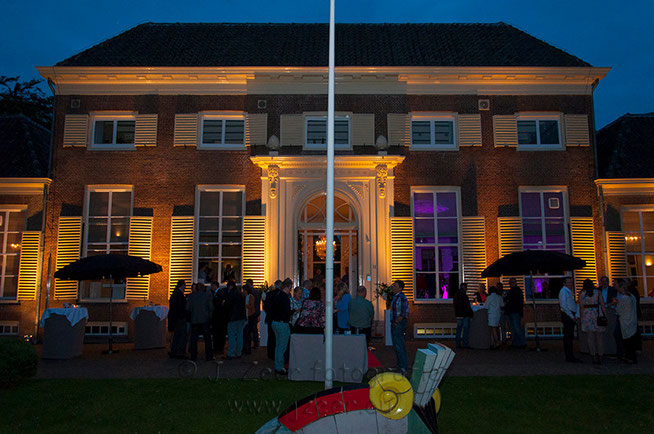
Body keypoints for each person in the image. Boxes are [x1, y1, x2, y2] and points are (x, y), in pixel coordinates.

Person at [269, 279, 293, 375]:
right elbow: (287, 312)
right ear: (288, 287)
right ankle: (279, 367)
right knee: (282, 347)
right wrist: (294, 311)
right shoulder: (285, 297)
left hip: (275, 322)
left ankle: (278, 365)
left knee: (278, 346)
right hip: (283, 323)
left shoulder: (276, 295)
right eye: (290, 287)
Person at [579, 278, 606, 364]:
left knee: (590, 337)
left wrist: (581, 317)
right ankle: (601, 355)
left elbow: (581, 307)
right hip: (597, 313)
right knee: (599, 337)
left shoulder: (582, 294)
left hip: (587, 315)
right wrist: (605, 315)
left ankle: (593, 355)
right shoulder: (598, 292)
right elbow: (602, 304)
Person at [186, 282, 214, 361]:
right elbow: (211, 308)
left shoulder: (191, 296)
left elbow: (188, 308)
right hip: (205, 320)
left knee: (194, 339)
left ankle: (193, 356)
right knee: (207, 339)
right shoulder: (207, 296)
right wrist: (209, 316)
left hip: (194, 320)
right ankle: (209, 356)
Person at [616, 279, 638, 363]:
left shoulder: (624, 298)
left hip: (625, 321)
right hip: (632, 320)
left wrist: (616, 304)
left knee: (628, 341)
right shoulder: (631, 296)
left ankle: (630, 357)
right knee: (631, 340)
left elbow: (618, 310)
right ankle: (631, 357)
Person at [559, 276, 581, 363]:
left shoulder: (568, 292)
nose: (571, 284)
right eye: (569, 283)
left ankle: (570, 355)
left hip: (570, 314)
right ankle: (569, 356)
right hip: (568, 315)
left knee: (569, 336)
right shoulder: (563, 291)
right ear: (564, 283)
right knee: (568, 336)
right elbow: (564, 306)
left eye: (571, 283)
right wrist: (571, 316)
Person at [390, 280, 409, 373]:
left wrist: (397, 321)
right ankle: (400, 365)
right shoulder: (395, 297)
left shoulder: (401, 297)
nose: (393, 287)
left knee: (399, 345)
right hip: (395, 323)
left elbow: (404, 312)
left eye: (395, 286)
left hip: (398, 324)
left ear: (400, 288)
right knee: (396, 345)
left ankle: (403, 366)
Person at [224, 284, 246, 359]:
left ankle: (231, 353)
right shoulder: (241, 295)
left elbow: (227, 306)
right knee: (240, 335)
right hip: (241, 317)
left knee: (232, 336)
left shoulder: (230, 294)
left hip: (232, 318)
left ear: (230, 287)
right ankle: (239, 352)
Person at [168, 279, 188, 359]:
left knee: (176, 335)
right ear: (182, 285)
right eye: (185, 285)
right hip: (179, 318)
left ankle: (174, 351)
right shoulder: (179, 294)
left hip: (175, 318)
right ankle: (180, 352)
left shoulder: (175, 293)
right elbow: (180, 307)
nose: (185, 287)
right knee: (181, 335)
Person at [263, 280, 283, 360]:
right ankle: (276, 354)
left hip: (270, 318)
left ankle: (270, 353)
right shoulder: (282, 295)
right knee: (278, 337)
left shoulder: (269, 294)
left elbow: (265, 306)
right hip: (278, 319)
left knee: (271, 336)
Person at [506, 278, 526, 349]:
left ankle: (522, 342)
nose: (510, 284)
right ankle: (516, 343)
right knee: (514, 328)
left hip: (515, 311)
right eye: (510, 282)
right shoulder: (514, 291)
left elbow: (519, 302)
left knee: (516, 327)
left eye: (511, 282)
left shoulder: (516, 291)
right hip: (512, 311)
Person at [453, 283, 473, 349]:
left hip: (459, 314)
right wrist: (471, 314)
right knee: (466, 329)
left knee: (459, 329)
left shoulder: (456, 295)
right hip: (465, 314)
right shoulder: (464, 296)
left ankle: (458, 343)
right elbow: (467, 306)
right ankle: (465, 343)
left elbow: (455, 305)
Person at [212, 281, 228, 355]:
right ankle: (217, 347)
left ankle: (219, 347)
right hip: (218, 317)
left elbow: (219, 304)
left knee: (219, 332)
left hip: (219, 317)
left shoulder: (219, 294)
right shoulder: (216, 293)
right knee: (217, 332)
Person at [627, 279, 642, 351]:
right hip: (633, 313)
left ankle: (637, 347)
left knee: (635, 330)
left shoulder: (632, 292)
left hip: (633, 313)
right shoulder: (632, 291)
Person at [243, 283, 257, 355]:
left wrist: (245, 306)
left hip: (250, 316)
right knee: (246, 333)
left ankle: (247, 349)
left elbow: (251, 306)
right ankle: (245, 348)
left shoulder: (250, 297)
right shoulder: (245, 297)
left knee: (248, 333)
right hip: (247, 315)